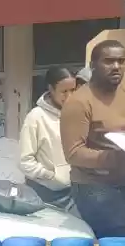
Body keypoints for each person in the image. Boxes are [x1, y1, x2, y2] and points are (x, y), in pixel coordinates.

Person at [61, 40, 125, 237]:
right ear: (93, 65)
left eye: (121, 61)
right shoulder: (79, 102)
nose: (116, 66)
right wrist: (115, 158)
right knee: (119, 238)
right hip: (94, 185)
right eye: (109, 61)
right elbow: (73, 153)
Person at [20, 66, 77, 209]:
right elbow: (25, 162)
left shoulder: (76, 114)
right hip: (44, 192)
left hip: (73, 190)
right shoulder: (36, 117)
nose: (69, 96)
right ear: (51, 89)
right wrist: (50, 176)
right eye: (64, 92)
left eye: (73, 90)